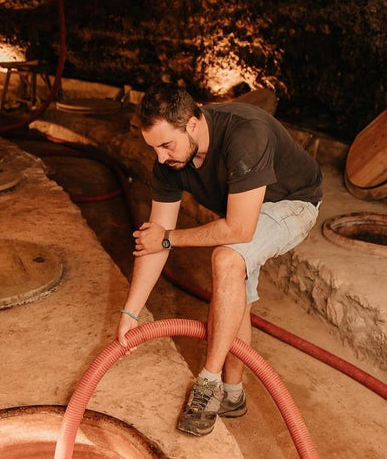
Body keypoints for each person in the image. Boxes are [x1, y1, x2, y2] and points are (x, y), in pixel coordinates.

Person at [116, 82, 323, 437]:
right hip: (247, 209)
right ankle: (232, 394)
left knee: (228, 258)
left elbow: (239, 229)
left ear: (193, 123)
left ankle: (208, 384)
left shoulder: (246, 133)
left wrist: (169, 238)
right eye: (154, 148)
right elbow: (155, 241)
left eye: (166, 145)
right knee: (235, 283)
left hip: (294, 203)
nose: (161, 158)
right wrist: (130, 313)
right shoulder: (168, 162)